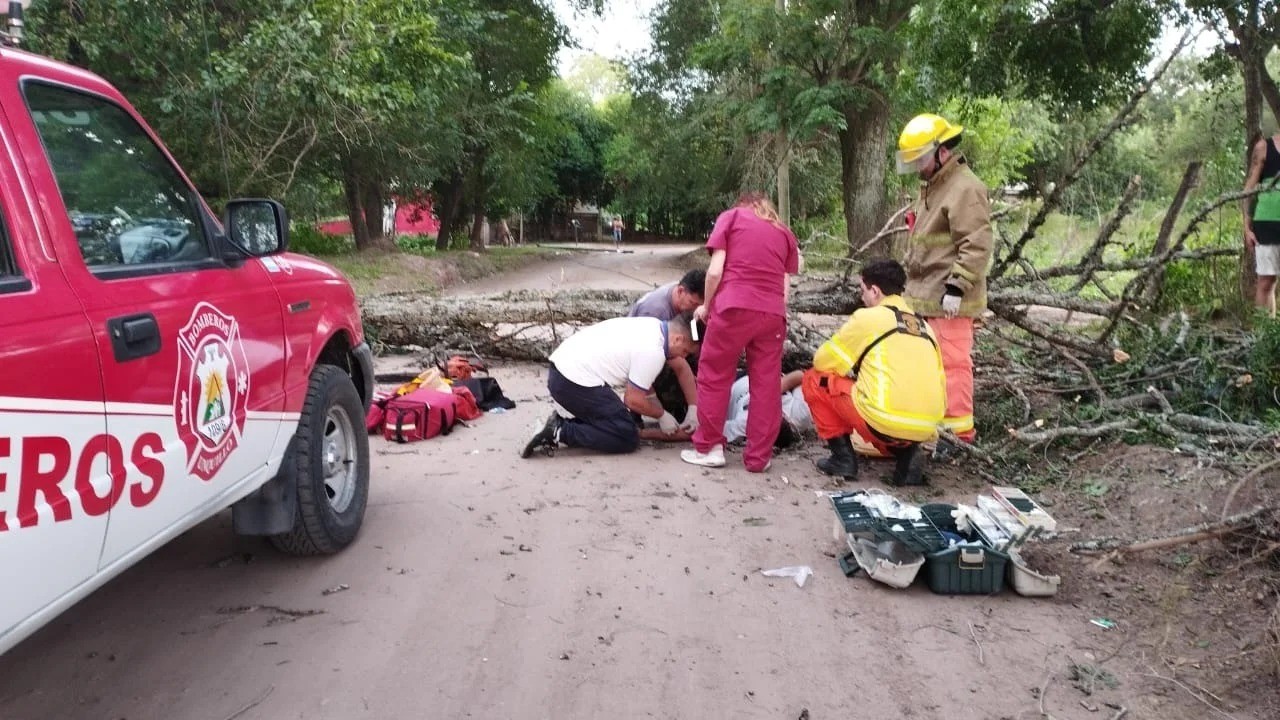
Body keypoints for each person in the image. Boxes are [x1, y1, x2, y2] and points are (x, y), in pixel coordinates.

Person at [681, 191, 800, 472]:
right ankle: (759, 457)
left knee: (714, 376)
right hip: (772, 314)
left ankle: (710, 448)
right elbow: (784, 290)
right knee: (767, 385)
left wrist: (707, 306)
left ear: (742, 205)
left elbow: (714, 272)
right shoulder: (784, 233)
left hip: (733, 306)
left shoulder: (731, 218)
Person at [801, 260, 946, 486]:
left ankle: (842, 459)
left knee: (813, 379)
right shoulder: (924, 326)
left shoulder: (868, 318)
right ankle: (906, 453)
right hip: (927, 426)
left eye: (863, 290)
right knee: (889, 410)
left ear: (875, 291)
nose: (862, 297)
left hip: (884, 419)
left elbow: (822, 361)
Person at [894, 112, 992, 446]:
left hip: (949, 300)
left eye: (920, 160)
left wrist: (956, 287)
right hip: (926, 296)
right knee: (927, 366)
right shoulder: (936, 186)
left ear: (943, 152)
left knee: (952, 368)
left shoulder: (965, 188)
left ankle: (960, 437)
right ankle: (932, 432)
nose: (917, 167)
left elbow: (976, 244)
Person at [521, 315, 702, 458]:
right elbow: (632, 400)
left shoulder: (654, 326)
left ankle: (557, 425)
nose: (684, 357)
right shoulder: (653, 351)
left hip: (563, 370)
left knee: (617, 422)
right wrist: (661, 415)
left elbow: (654, 379)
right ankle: (558, 431)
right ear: (677, 339)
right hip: (571, 381)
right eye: (685, 351)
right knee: (626, 436)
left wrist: (692, 409)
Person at [628, 269, 707, 427]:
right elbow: (642, 356)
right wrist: (659, 413)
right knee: (668, 368)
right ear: (680, 291)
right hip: (642, 352)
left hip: (673, 341)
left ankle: (692, 407)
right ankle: (648, 409)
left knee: (698, 359)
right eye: (693, 304)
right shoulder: (655, 311)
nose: (695, 310)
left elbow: (694, 337)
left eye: (700, 306)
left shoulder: (688, 307)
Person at [1245, 131, 1280, 317]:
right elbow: (1249, 190)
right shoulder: (1264, 147)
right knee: (1267, 282)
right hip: (1266, 224)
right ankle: (1264, 332)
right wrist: (1247, 228)